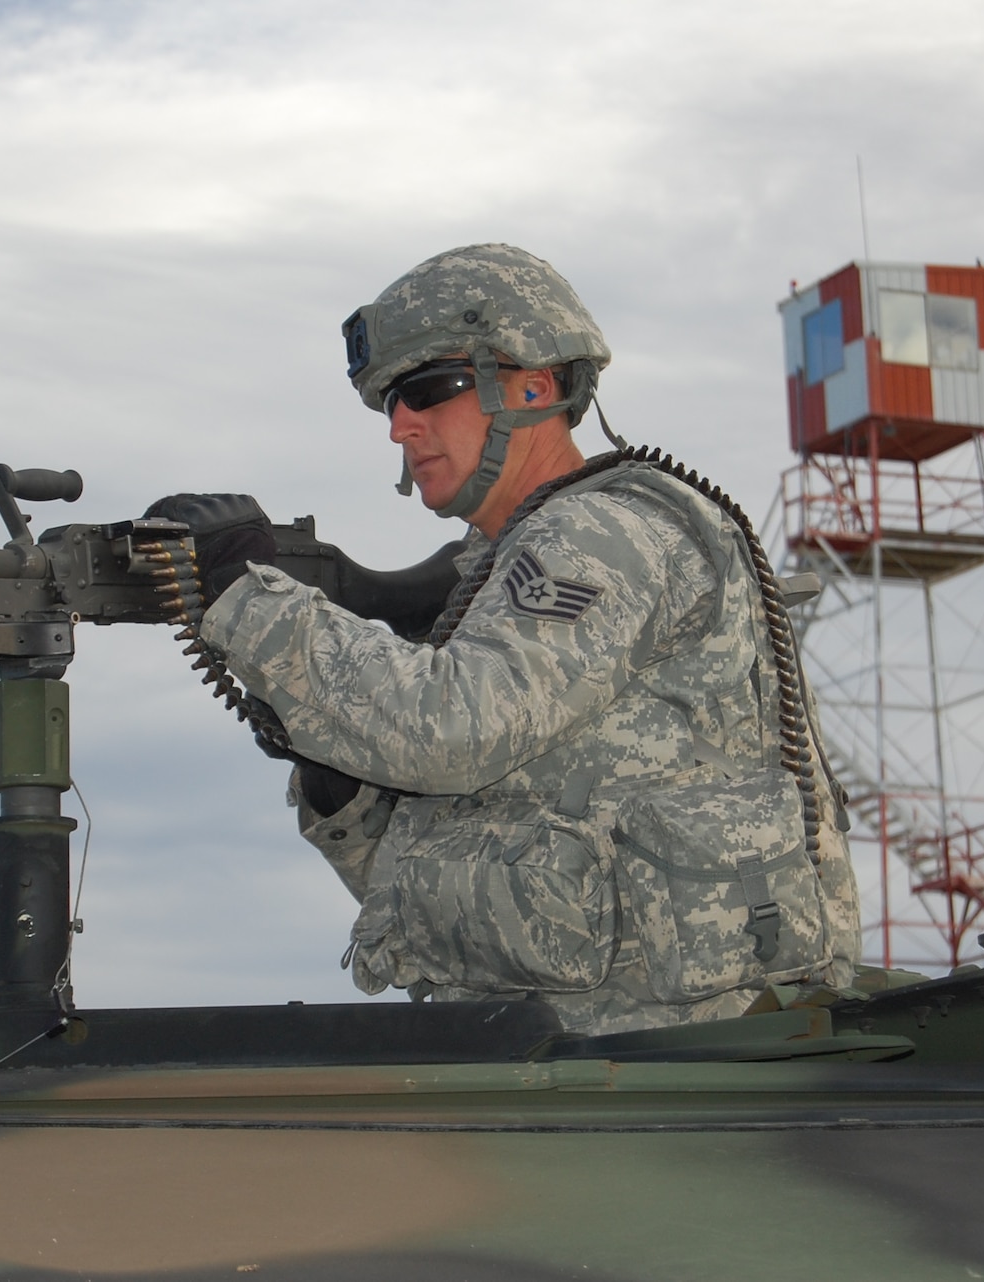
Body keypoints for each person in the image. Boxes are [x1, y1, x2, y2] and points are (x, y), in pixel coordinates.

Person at [167, 244, 859, 1035]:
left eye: (428, 389)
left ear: (534, 384)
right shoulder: (501, 570)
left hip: (668, 1054)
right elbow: (434, 874)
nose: (400, 425)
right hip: (560, 1046)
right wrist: (340, 782)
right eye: (392, 400)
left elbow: (452, 728)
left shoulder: (602, 533)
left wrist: (246, 598)